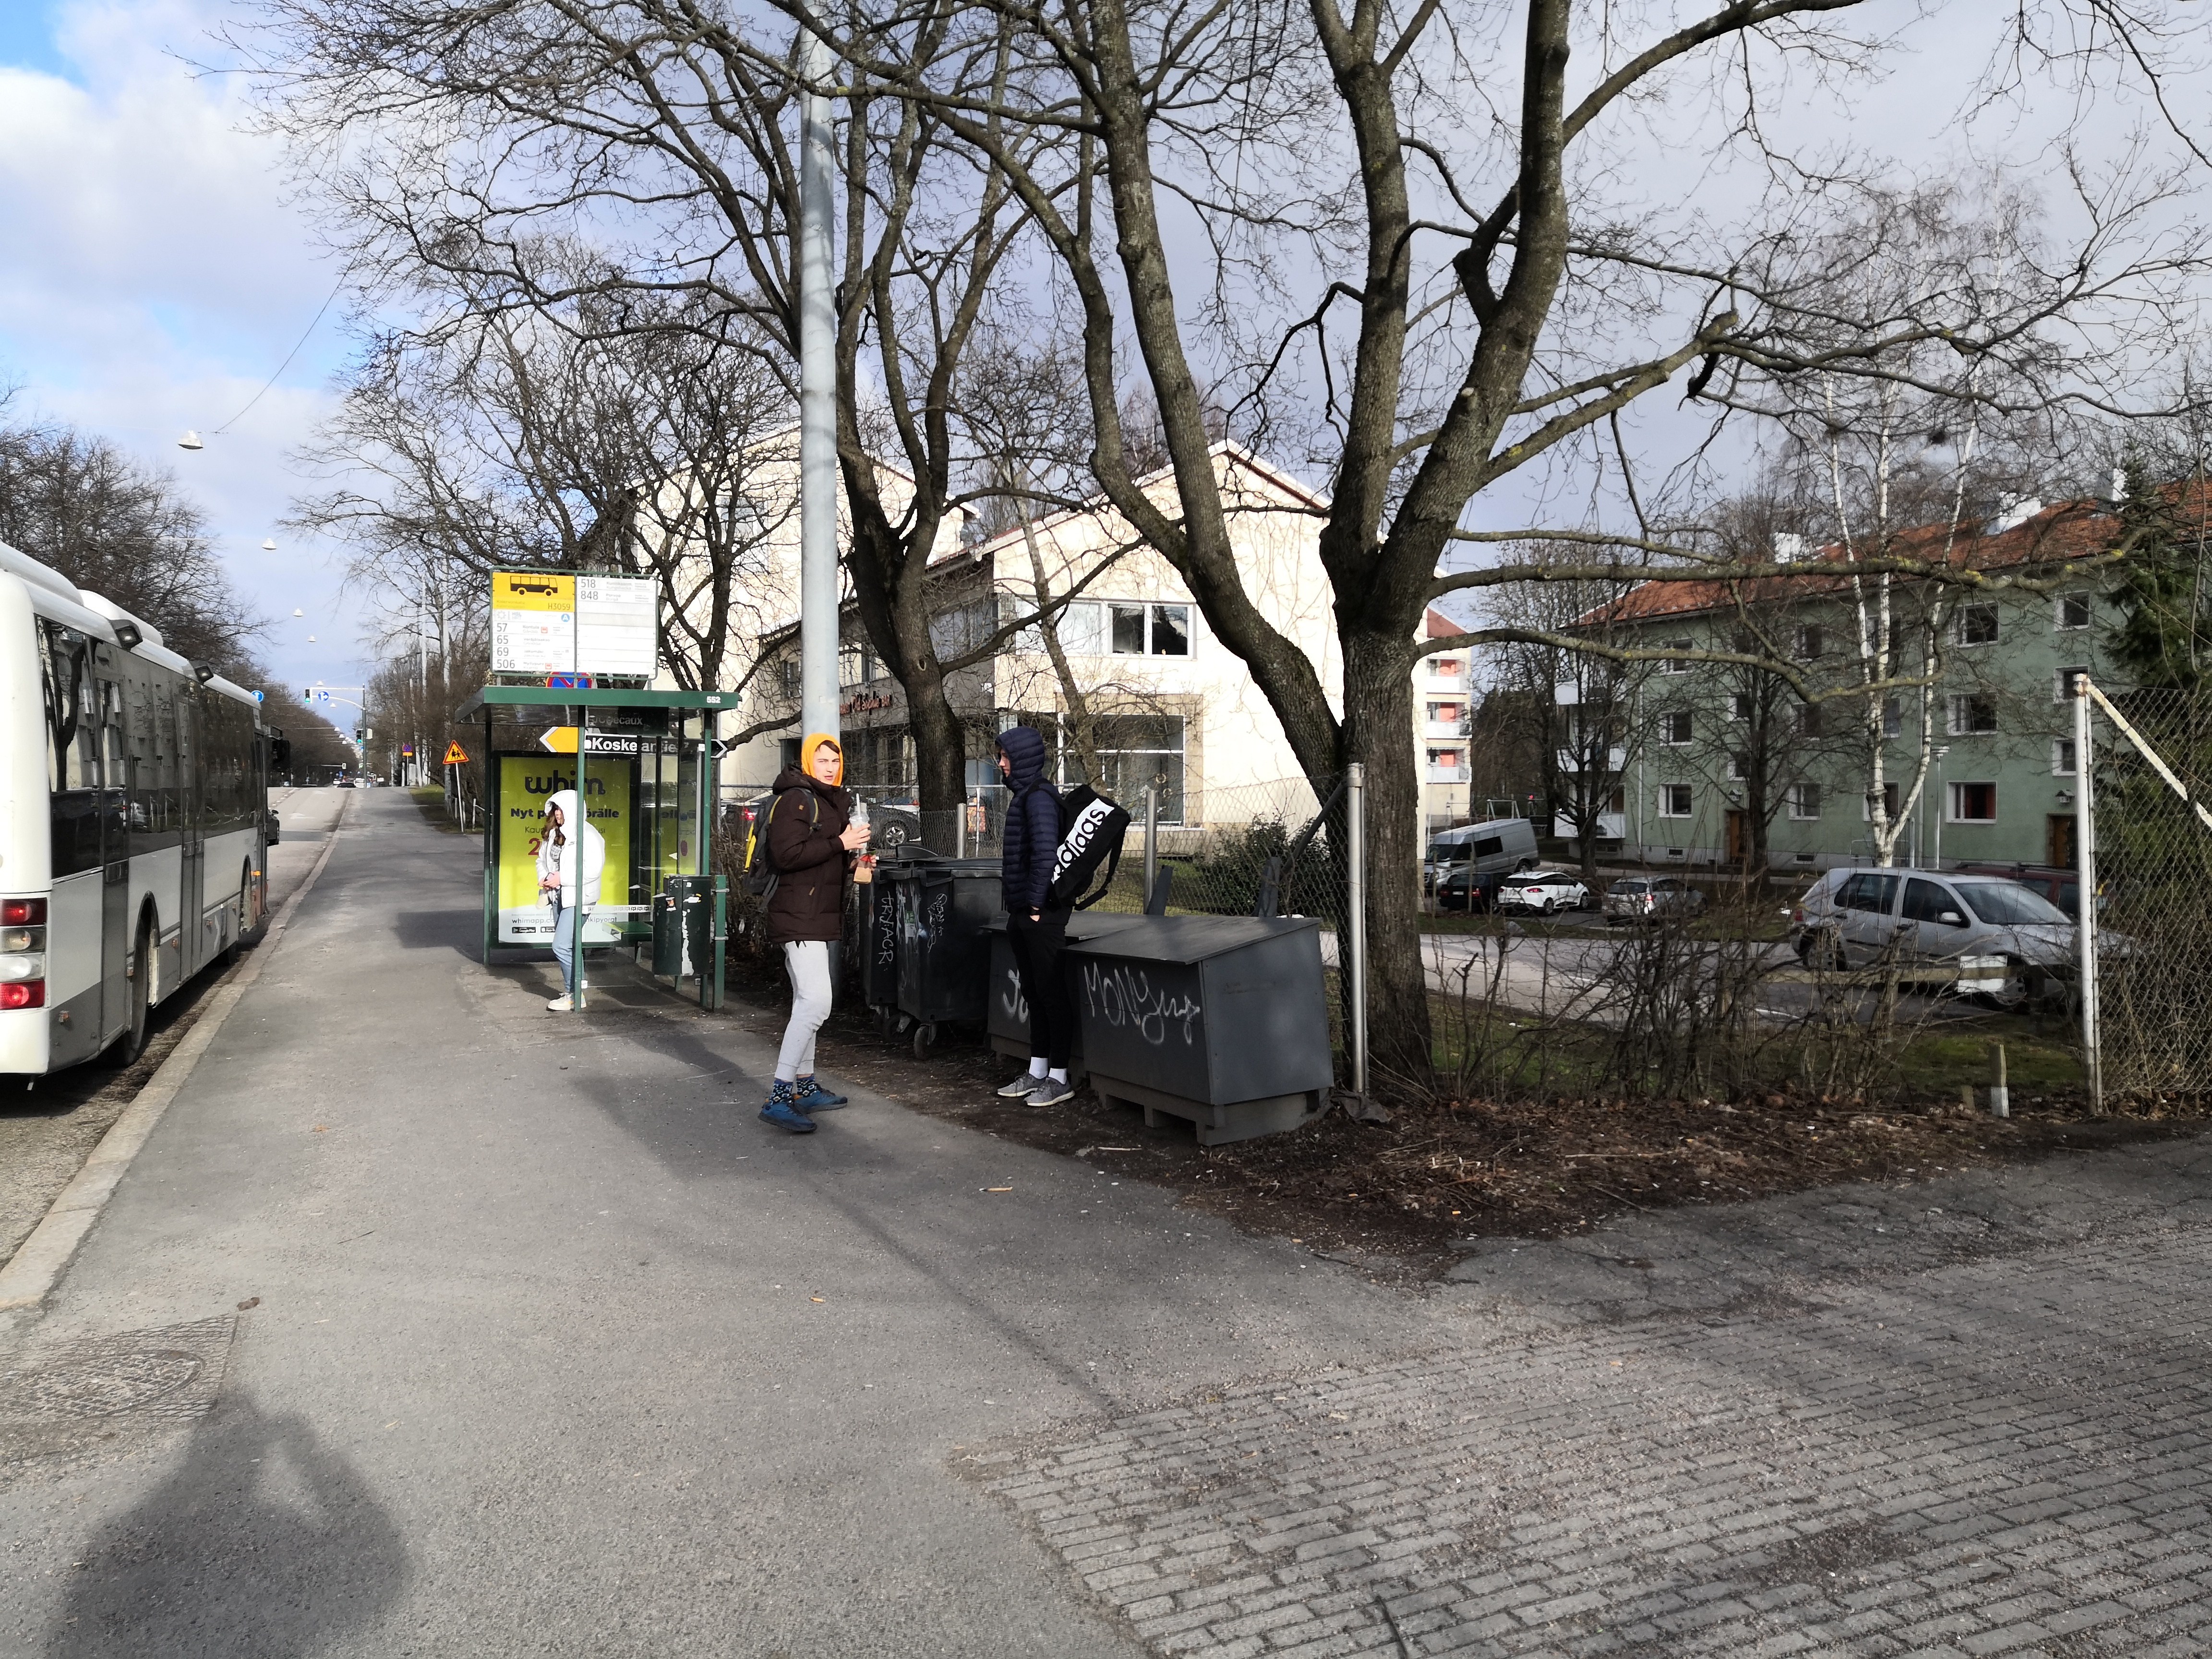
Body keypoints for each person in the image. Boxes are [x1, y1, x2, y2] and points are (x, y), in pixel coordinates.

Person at [760, 733, 870, 1132]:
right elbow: (786, 855)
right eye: (822, 760)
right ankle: (779, 1094)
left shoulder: (827, 800)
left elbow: (822, 857)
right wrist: (840, 842)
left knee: (806, 1001)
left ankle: (804, 1086)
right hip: (798, 915)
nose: (830, 767)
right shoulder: (797, 799)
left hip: (813, 915)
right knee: (817, 1004)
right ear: (808, 762)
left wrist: (855, 860)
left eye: (835, 761)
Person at [994, 725, 1076, 1107]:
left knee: (1050, 993)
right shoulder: (1025, 796)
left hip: (1040, 913)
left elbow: (1046, 855)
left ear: (1023, 758)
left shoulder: (1039, 798)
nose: (1001, 764)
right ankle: (1038, 1069)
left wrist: (1036, 906)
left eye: (1006, 757)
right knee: (1035, 992)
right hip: (1024, 911)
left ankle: (1060, 1077)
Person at [536, 789, 605, 1012]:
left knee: (561, 945)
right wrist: (545, 878)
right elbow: (542, 860)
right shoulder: (555, 834)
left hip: (579, 899)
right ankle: (577, 991)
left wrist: (560, 879)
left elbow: (592, 871)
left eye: (562, 809)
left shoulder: (589, 835)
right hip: (558, 897)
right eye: (555, 809)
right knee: (571, 946)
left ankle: (574, 995)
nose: (557, 813)